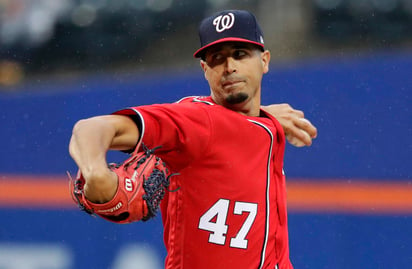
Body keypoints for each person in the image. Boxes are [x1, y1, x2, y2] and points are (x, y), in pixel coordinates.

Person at [69, 9, 317, 269]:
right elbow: (90, 128)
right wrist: (95, 172)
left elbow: (239, 125)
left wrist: (268, 117)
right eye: (217, 59)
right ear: (204, 70)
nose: (229, 66)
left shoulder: (262, 123)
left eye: (240, 54)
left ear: (264, 61)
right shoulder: (196, 122)